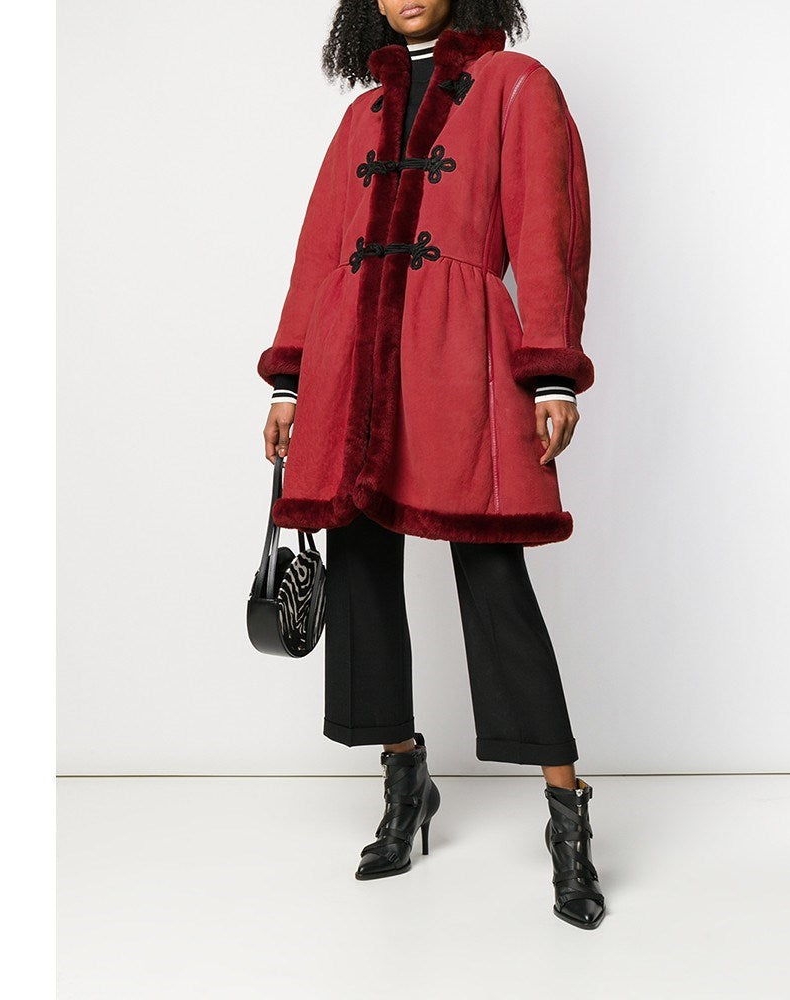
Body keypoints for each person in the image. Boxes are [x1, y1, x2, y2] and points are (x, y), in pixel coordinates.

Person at [258, 0, 603, 929]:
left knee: (492, 575)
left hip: (461, 357)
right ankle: (405, 777)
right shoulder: (361, 113)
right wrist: (290, 380)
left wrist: (551, 373)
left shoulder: (516, 85)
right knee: (361, 566)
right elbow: (318, 251)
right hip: (351, 364)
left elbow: (549, 234)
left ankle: (568, 818)